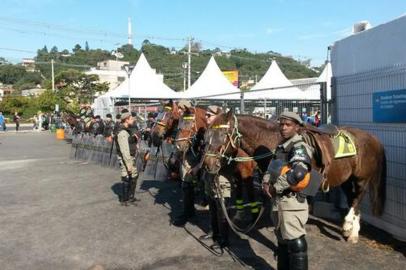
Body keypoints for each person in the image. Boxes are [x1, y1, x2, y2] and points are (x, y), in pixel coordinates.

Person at [262, 111, 314, 270]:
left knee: (295, 242)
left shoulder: (298, 146)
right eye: (281, 124)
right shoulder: (282, 147)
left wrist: (275, 186)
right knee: (283, 242)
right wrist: (265, 182)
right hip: (279, 202)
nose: (283, 127)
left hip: (291, 202)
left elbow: (299, 173)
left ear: (297, 127)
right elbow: (273, 168)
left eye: (288, 125)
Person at [115, 110, 140, 206]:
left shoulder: (127, 130)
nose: (133, 119)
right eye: (131, 118)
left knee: (134, 176)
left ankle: (130, 197)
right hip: (126, 158)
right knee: (126, 176)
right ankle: (124, 199)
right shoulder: (122, 132)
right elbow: (124, 151)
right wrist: (129, 164)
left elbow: (129, 144)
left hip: (130, 157)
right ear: (126, 120)